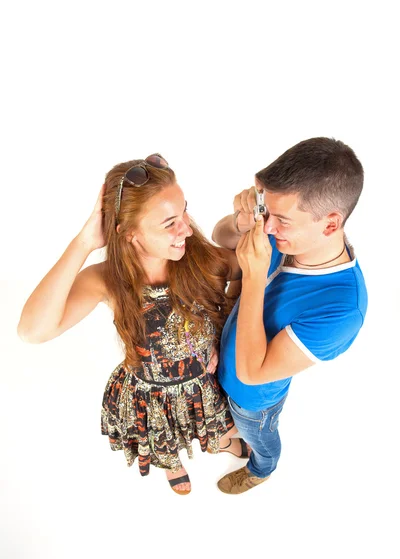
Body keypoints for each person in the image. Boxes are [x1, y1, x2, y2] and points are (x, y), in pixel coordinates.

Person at [17, 154, 247, 495]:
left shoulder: (202, 258)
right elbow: (32, 331)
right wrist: (84, 243)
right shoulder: (108, 281)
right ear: (128, 235)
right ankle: (171, 464)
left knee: (213, 423)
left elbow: (246, 274)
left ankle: (220, 442)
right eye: (169, 223)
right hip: (151, 393)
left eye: (184, 211)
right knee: (161, 436)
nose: (186, 228)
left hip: (201, 382)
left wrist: (224, 330)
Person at [212, 137, 368, 495]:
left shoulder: (343, 309)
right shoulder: (287, 235)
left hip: (254, 402)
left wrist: (251, 276)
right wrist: (241, 222)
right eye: (267, 212)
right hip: (222, 371)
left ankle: (262, 468)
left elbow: (252, 373)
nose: (267, 228)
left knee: (260, 437)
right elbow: (221, 237)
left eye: (281, 220)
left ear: (330, 224)